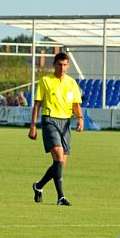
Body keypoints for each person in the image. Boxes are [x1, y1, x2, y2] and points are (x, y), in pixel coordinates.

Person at [29, 52, 83, 206]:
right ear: (54, 65)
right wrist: (33, 126)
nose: (62, 67)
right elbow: (37, 105)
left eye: (65, 64)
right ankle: (61, 197)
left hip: (66, 122)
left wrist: (80, 119)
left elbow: (76, 104)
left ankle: (38, 186)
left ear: (68, 66)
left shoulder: (72, 83)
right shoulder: (45, 81)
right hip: (49, 120)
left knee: (60, 164)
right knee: (58, 158)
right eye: (60, 64)